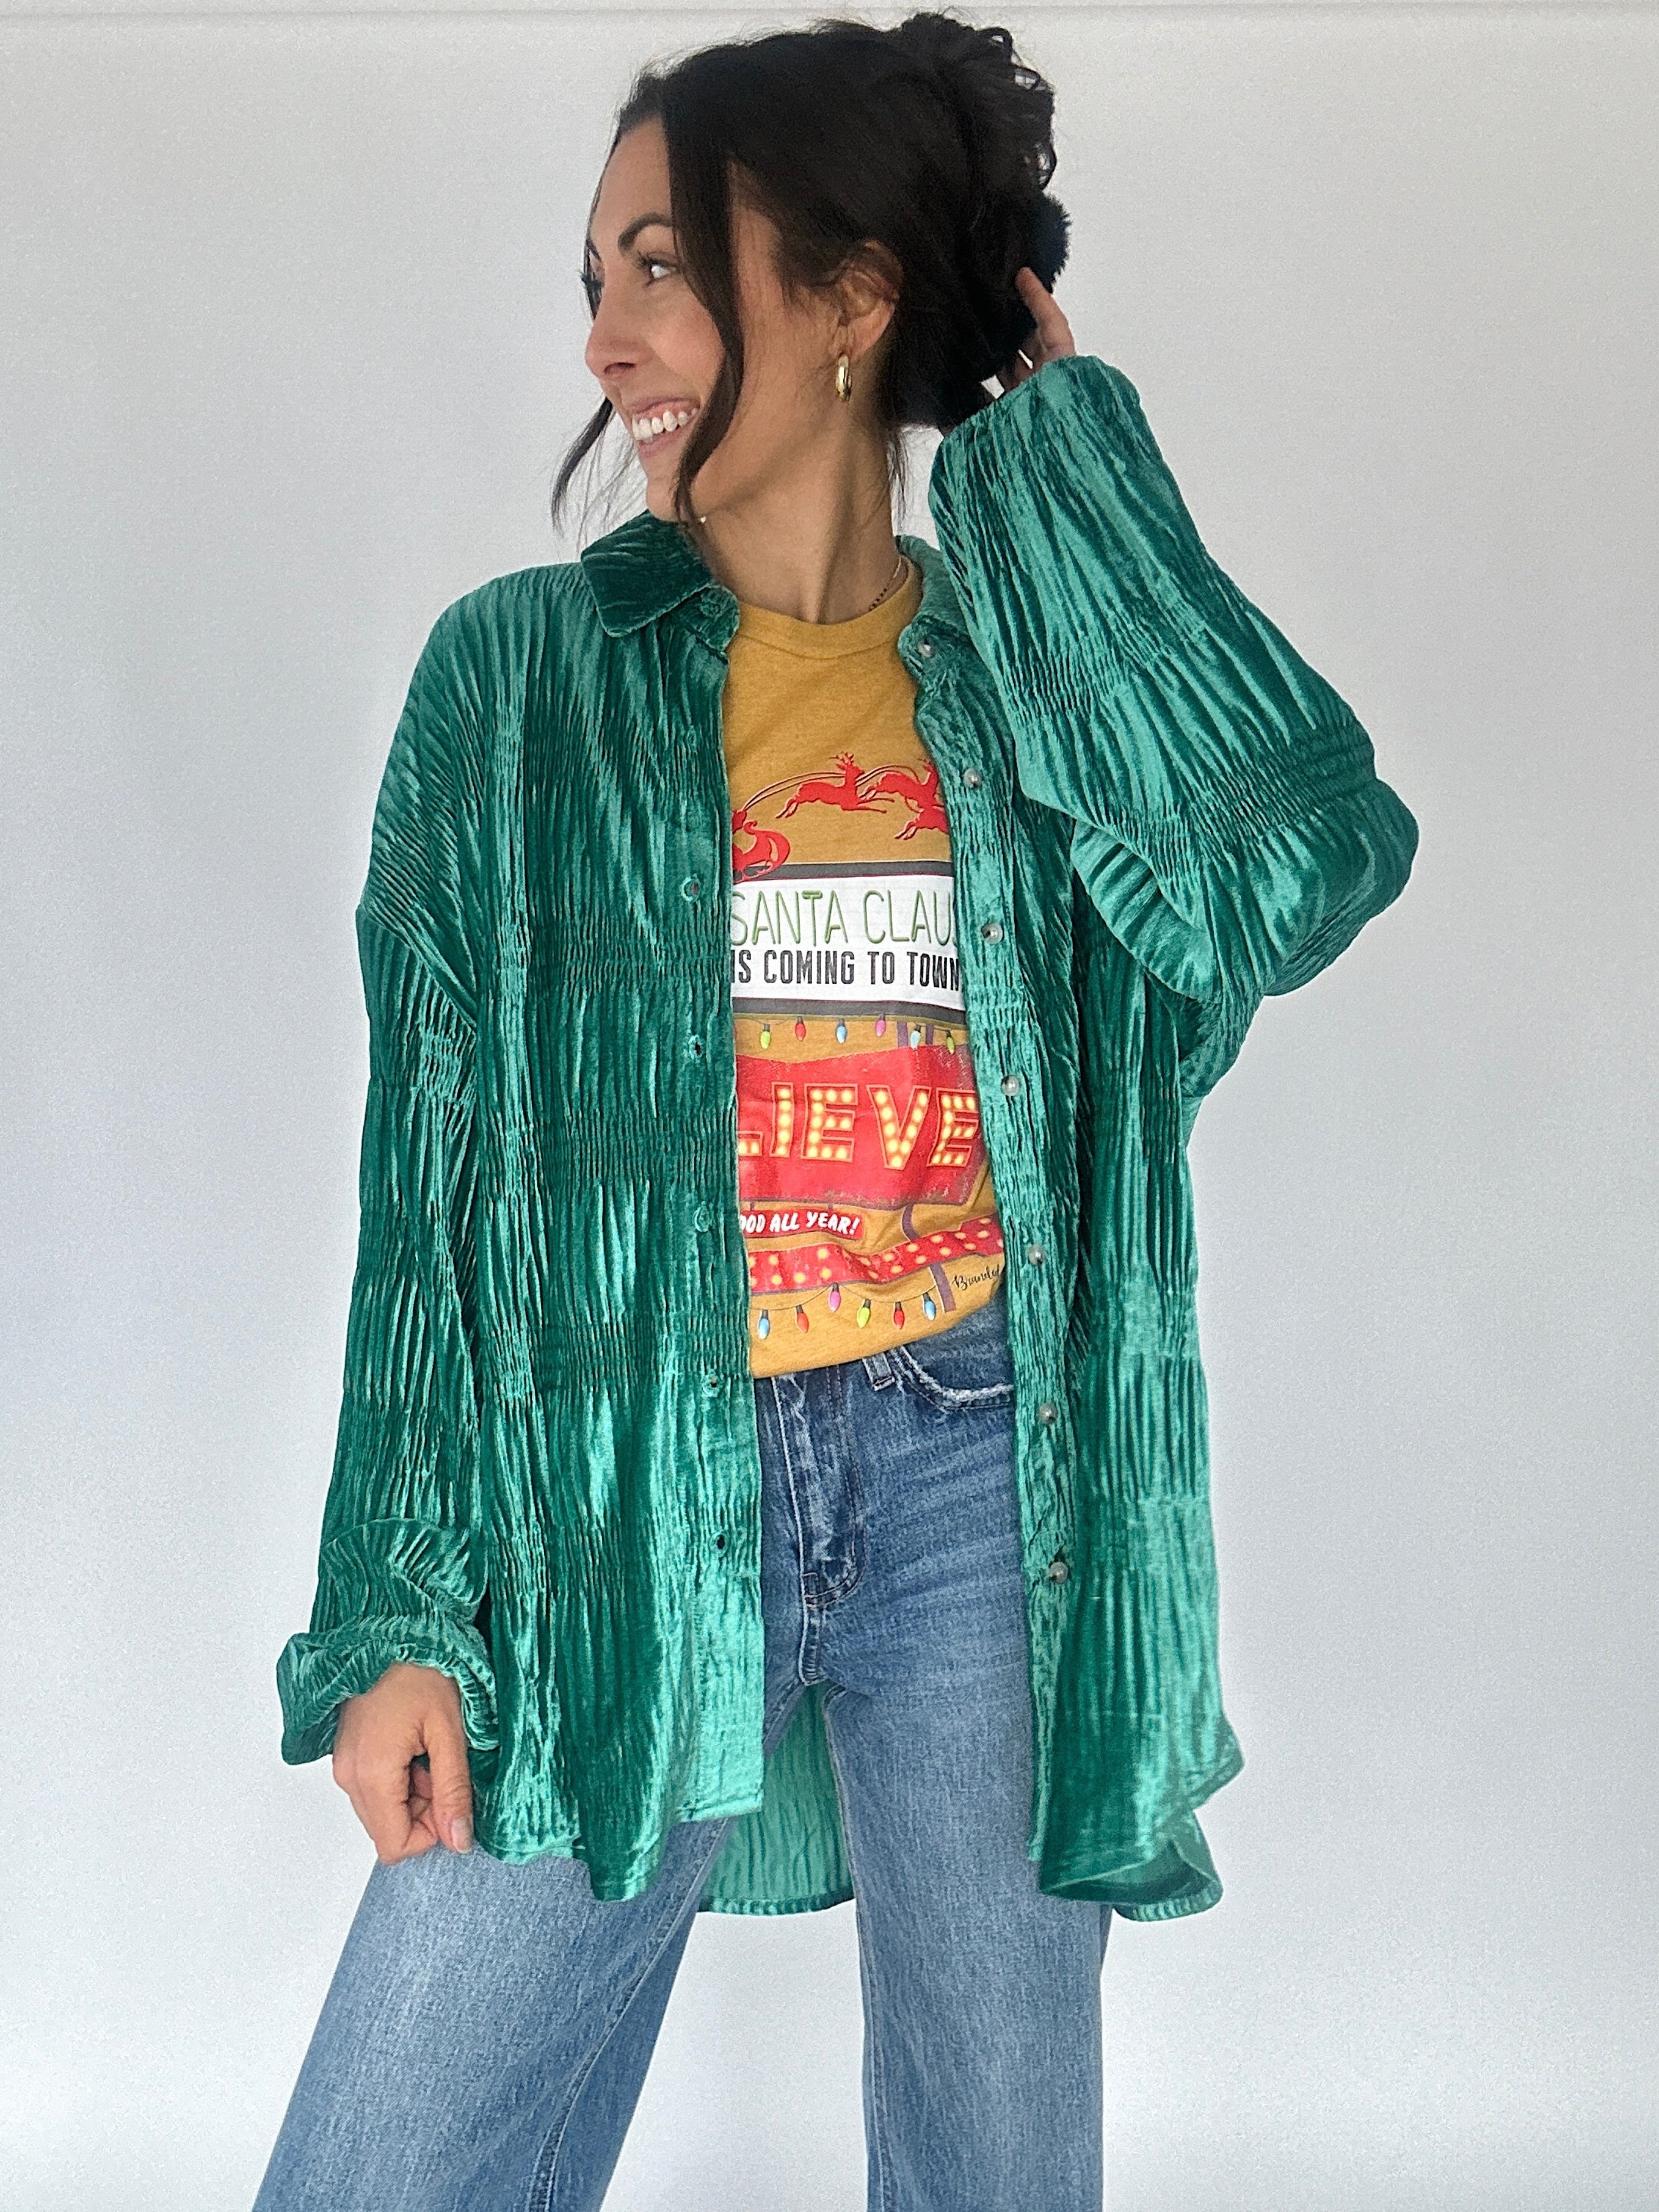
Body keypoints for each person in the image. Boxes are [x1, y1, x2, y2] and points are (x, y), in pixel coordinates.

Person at [255, 13, 1418, 2208]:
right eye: (594, 278)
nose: (605, 340)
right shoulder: (517, 682)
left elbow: (1292, 873)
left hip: (984, 1476)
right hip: (620, 1484)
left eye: (662, 267)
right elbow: (434, 1192)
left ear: (854, 294)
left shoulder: (1021, 686)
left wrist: (1071, 482)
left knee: (995, 2163)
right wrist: (397, 1604)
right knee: (383, 2169)